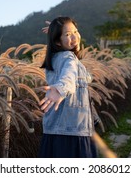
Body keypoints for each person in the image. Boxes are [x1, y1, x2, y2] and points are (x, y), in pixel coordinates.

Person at [38, 16, 97, 158]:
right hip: (71, 131)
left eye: (76, 32)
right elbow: (68, 77)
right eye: (68, 34)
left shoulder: (55, 58)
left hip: (56, 129)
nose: (75, 37)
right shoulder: (69, 59)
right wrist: (60, 89)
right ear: (57, 41)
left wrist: (59, 32)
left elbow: (82, 77)